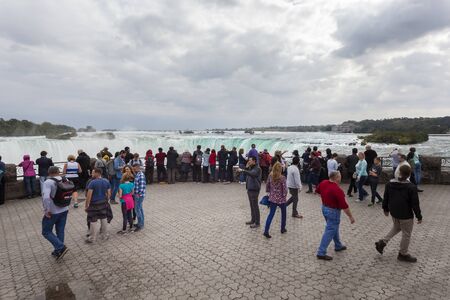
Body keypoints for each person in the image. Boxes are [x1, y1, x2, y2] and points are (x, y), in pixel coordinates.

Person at [375, 165, 422, 263]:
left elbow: (386, 197)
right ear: (409, 174)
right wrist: (419, 216)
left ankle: (382, 242)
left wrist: (385, 208)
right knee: (406, 234)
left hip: (394, 212)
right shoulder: (411, 187)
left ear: (399, 172)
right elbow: (415, 203)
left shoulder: (390, 184)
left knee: (397, 227)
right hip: (406, 214)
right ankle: (403, 254)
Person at [316, 171, 355, 260]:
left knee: (333, 227)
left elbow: (317, 192)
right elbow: (344, 206)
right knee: (330, 230)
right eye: (340, 176)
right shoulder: (337, 190)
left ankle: (338, 245)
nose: (341, 177)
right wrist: (350, 217)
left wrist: (325, 198)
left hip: (324, 208)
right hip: (333, 211)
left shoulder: (323, 182)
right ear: (337, 178)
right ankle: (321, 252)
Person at [41, 166, 70, 260]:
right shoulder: (65, 178)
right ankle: (58, 251)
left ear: (49, 173)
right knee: (60, 230)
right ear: (58, 171)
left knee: (46, 231)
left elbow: (46, 197)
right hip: (65, 208)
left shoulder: (48, 182)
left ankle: (61, 247)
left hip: (53, 211)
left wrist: (46, 210)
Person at [85, 168, 112, 243]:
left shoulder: (92, 183)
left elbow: (89, 195)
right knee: (104, 218)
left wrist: (86, 205)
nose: (92, 174)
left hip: (94, 204)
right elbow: (109, 193)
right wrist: (106, 200)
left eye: (93, 173)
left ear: (98, 173)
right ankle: (105, 235)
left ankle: (92, 238)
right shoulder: (106, 181)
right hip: (103, 202)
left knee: (93, 220)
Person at [263, 162, 288, 238]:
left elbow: (267, 186)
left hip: (272, 199)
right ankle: (282, 228)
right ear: (280, 169)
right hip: (281, 199)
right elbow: (285, 190)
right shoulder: (282, 178)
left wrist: (270, 193)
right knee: (284, 214)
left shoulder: (270, 176)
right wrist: (284, 196)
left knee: (271, 215)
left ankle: (266, 231)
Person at [239, 157, 261, 229]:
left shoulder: (257, 168)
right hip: (250, 189)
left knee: (255, 206)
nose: (248, 161)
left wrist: (243, 170)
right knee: (252, 205)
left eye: (250, 160)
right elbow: (248, 173)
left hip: (254, 189)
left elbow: (253, 174)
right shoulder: (251, 167)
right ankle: (253, 220)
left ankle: (257, 222)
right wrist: (246, 168)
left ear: (254, 161)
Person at [132, 163, 146, 232]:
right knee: (140, 209)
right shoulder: (138, 174)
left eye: (134, 168)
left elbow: (142, 186)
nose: (133, 170)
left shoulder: (140, 175)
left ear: (137, 167)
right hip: (137, 194)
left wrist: (138, 194)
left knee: (137, 210)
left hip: (139, 195)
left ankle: (140, 225)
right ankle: (141, 223)